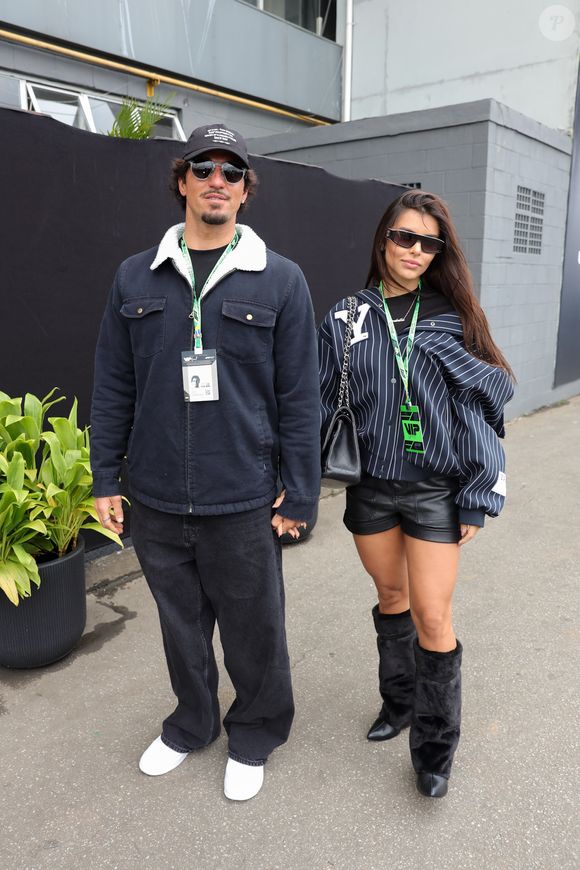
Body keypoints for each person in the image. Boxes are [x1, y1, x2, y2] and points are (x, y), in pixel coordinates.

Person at [90, 123, 320, 801]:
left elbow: (299, 396)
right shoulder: (136, 275)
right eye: (204, 167)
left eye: (232, 171)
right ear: (182, 180)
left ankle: (255, 730)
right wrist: (107, 475)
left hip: (244, 496)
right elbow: (112, 383)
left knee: (255, 632)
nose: (217, 180)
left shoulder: (281, 281)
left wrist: (301, 494)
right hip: (157, 496)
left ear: (247, 191)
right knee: (180, 628)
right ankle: (192, 724)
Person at [318, 190, 514, 798]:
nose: (417, 251)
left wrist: (477, 493)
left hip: (435, 490)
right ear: (384, 240)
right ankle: (397, 703)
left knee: (433, 615)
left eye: (431, 242)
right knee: (391, 597)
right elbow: (321, 399)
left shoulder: (449, 318)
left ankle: (433, 748)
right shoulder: (347, 317)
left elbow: (487, 406)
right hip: (371, 489)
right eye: (406, 237)